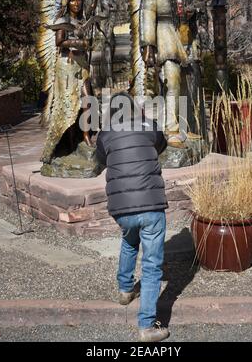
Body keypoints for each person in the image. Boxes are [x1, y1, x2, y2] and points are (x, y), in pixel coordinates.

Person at [124, 0, 207, 147]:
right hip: (166, 36)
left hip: (186, 36)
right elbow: (147, 12)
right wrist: (147, 45)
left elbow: (199, 3)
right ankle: (170, 130)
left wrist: (196, 11)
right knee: (171, 81)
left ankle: (185, 127)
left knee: (187, 84)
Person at [96, 91, 170, 342]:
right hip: (151, 205)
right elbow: (161, 144)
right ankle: (147, 326)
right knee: (151, 266)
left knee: (129, 241)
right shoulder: (150, 126)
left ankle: (125, 290)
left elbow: (102, 159)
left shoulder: (105, 134)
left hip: (122, 210)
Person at [37, 0, 98, 165]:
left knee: (88, 100)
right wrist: (79, 43)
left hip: (82, 65)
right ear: (67, 2)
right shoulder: (63, 20)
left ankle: (86, 135)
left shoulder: (83, 20)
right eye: (73, 0)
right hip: (66, 66)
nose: (77, 3)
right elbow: (59, 42)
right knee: (69, 106)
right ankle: (69, 141)